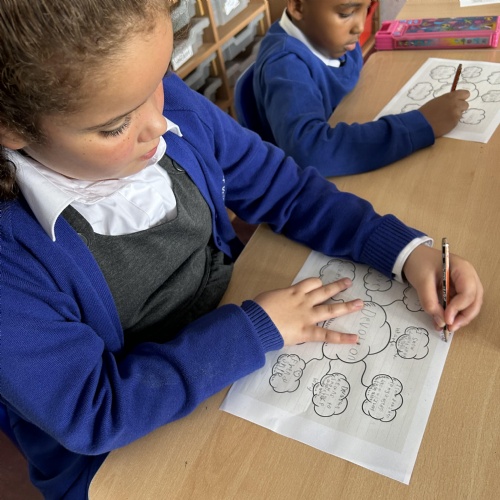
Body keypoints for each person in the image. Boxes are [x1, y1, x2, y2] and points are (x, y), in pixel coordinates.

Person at [0, 1, 482, 498]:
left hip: (233, 353)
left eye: (161, 78)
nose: (159, 125)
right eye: (115, 126)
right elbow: (92, 412)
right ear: (12, 127)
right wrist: (252, 330)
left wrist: (405, 251)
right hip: (118, 455)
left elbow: (287, 189)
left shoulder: (172, 107)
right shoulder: (12, 260)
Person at [246, 0, 470, 176]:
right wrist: (420, 125)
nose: (360, 26)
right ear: (298, 6)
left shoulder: (330, 39)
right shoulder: (285, 65)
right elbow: (309, 149)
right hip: (302, 187)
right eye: (346, 13)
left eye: (367, 8)